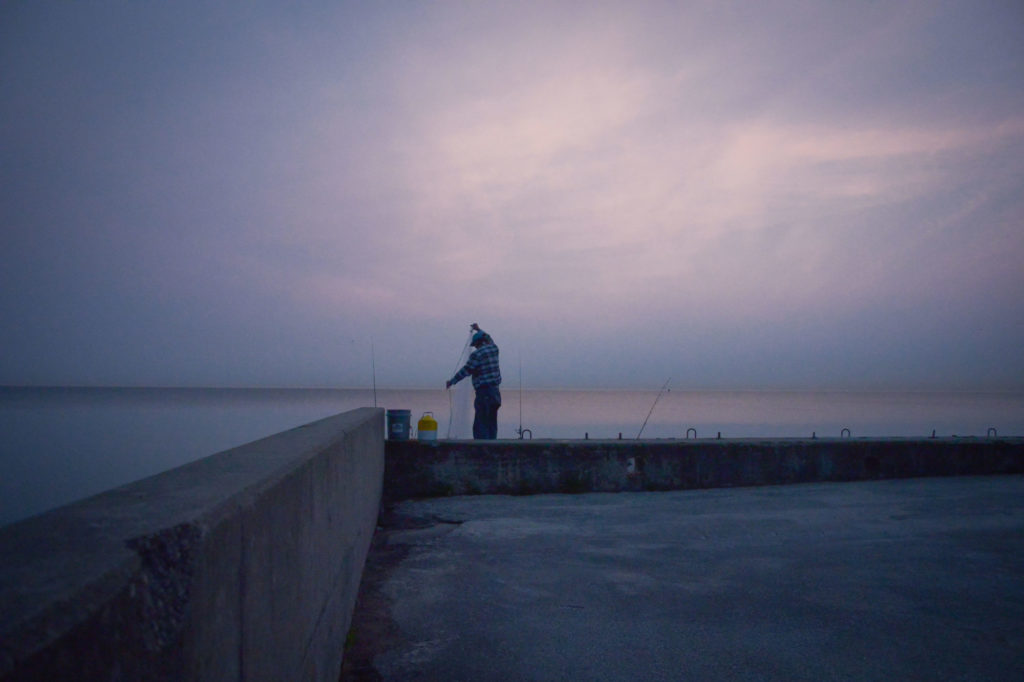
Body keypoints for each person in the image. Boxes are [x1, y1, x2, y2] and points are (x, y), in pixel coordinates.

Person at [446, 323, 502, 439]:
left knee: (481, 423)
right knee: (491, 422)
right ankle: (492, 448)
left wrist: (452, 381)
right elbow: (488, 337)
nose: (475, 347)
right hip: (496, 393)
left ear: (478, 343)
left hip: (484, 393)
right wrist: (478, 329)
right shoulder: (494, 348)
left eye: (475, 345)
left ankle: (480, 450)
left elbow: (466, 370)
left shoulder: (477, 355)